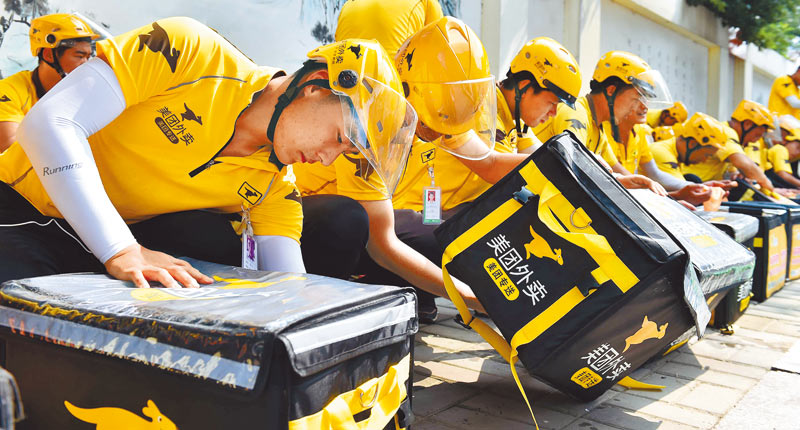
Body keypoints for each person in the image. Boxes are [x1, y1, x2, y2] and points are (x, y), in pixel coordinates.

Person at [0, 17, 416, 289]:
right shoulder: (191, 49)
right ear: (316, 86)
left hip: (108, 240)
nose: (329, 159)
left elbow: (290, 291)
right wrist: (121, 250)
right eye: (340, 137)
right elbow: (48, 124)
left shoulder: (275, 187)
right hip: (22, 206)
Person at [534, 50, 672, 179]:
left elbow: (622, 175)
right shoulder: (576, 113)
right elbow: (574, 159)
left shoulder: (598, 130)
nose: (638, 107)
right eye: (636, 99)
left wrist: (669, 197)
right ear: (611, 90)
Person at [0, 14, 99, 151]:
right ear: (49, 55)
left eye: (88, 57)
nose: (85, 65)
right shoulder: (9, 91)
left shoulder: (85, 98)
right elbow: (10, 150)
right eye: (79, 56)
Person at [604, 102, 734, 205]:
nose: (645, 106)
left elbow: (653, 174)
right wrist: (676, 197)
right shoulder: (604, 130)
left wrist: (697, 187)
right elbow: (626, 182)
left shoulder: (639, 131)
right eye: (637, 96)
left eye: (647, 98)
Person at [682, 100, 773, 195]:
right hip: (690, 185)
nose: (755, 141)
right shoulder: (726, 132)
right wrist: (770, 187)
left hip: (698, 187)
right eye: (757, 135)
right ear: (747, 124)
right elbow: (744, 163)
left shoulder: (727, 134)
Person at [334, 0, 443, 59]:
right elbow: (441, 48)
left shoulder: (348, 5)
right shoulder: (426, 2)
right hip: (395, 85)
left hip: (346, 85)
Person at [651, 112, 730, 184]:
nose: (704, 160)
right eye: (706, 155)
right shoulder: (662, 153)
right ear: (693, 144)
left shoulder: (674, 154)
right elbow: (682, 188)